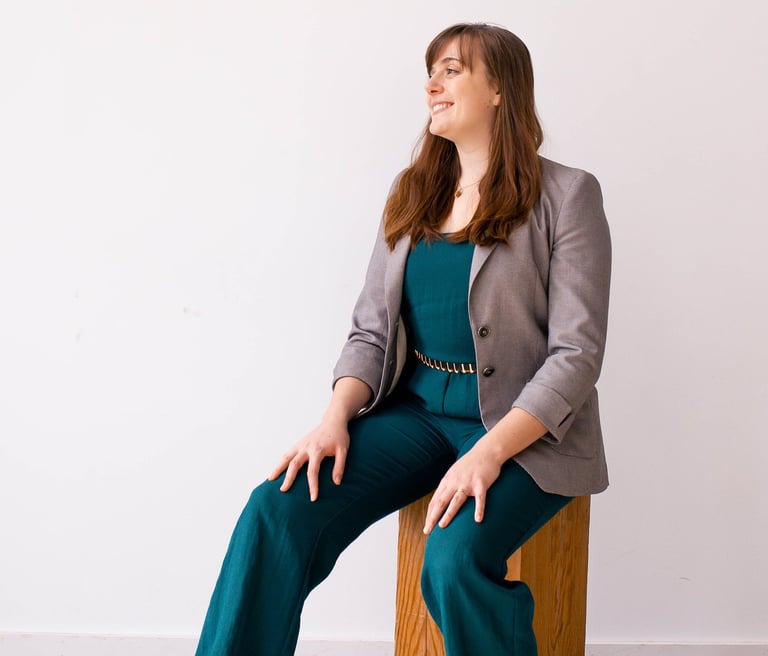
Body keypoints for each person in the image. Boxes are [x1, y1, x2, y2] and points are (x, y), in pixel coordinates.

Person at [195, 22, 611, 656]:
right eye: (431, 71)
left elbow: (576, 354)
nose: (432, 85)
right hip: (416, 414)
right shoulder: (413, 193)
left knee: (451, 562)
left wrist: (489, 453)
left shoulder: (567, 194)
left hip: (523, 430)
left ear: (499, 87)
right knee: (275, 510)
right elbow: (370, 329)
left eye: (451, 70)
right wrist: (335, 417)